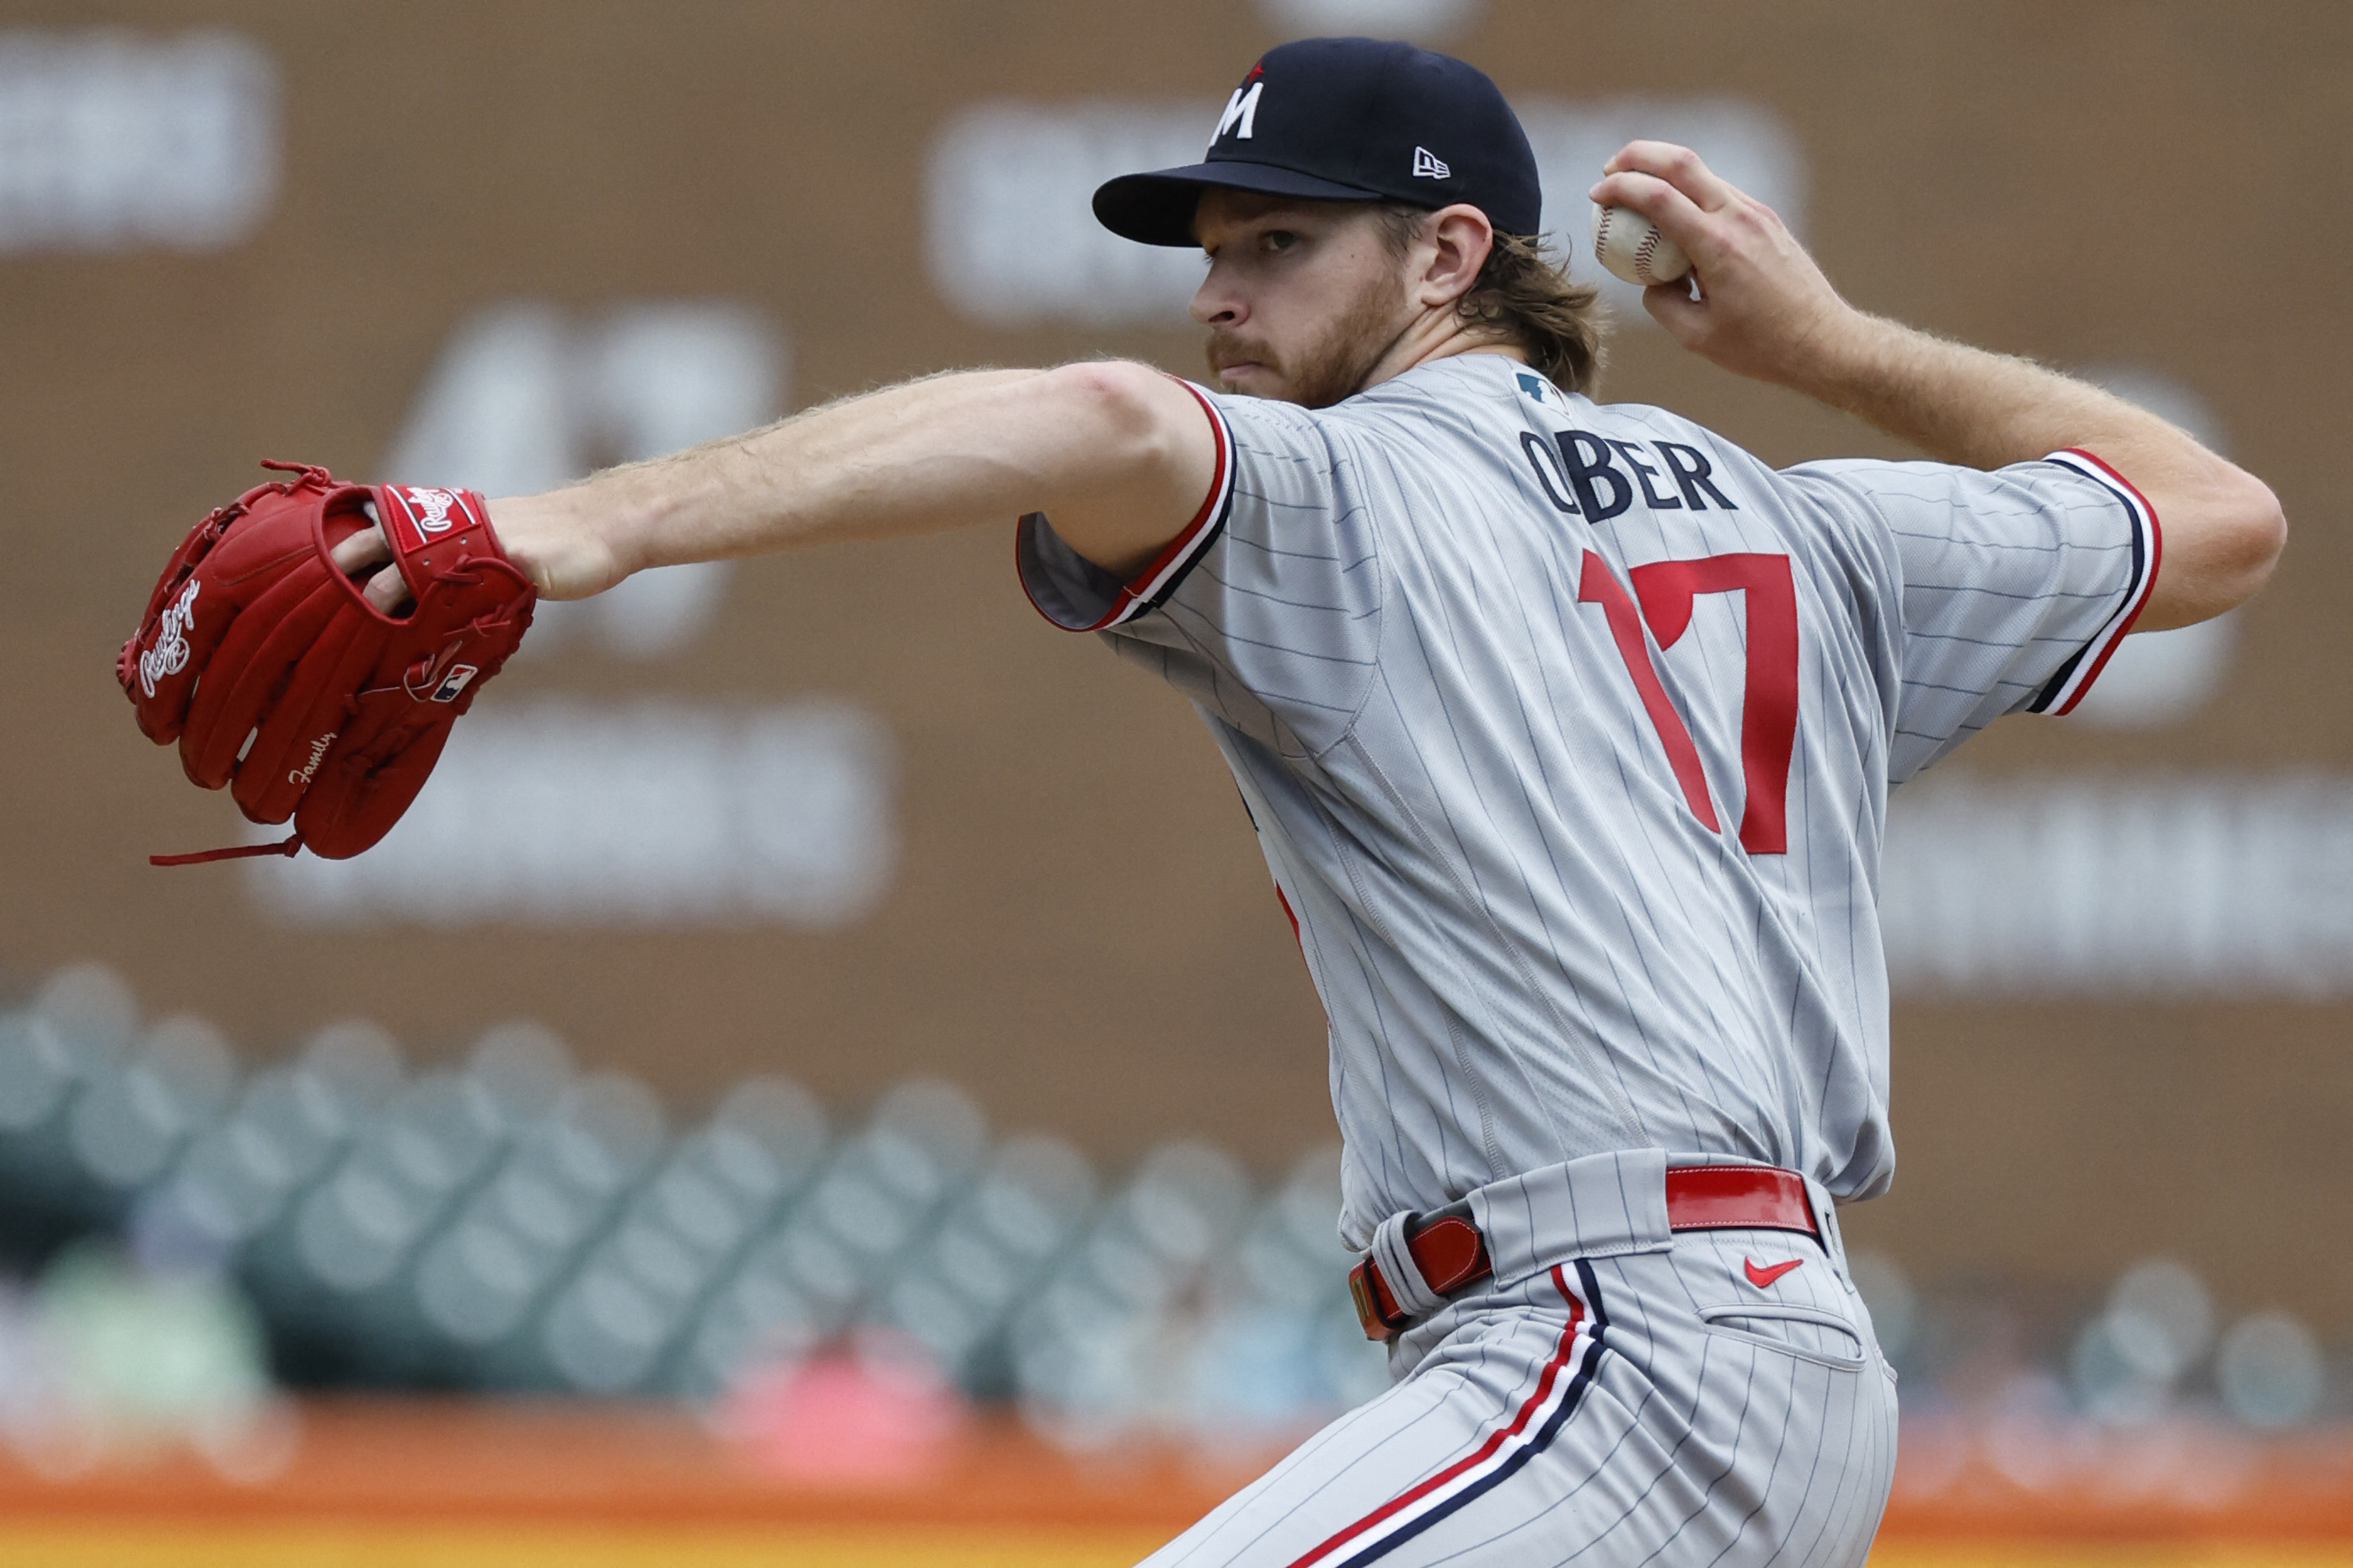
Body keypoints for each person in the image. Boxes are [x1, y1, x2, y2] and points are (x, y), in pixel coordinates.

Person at [336, 36, 2283, 1567]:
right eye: (1210, 254)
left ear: (1448, 258)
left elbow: (1097, 425)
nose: (1219, 297)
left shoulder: (1347, 491)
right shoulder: (1806, 530)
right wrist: (1833, 353)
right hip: (1761, 1356)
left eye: (1279, 243)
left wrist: (563, 521)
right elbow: (2217, 520)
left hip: (1618, 1355)